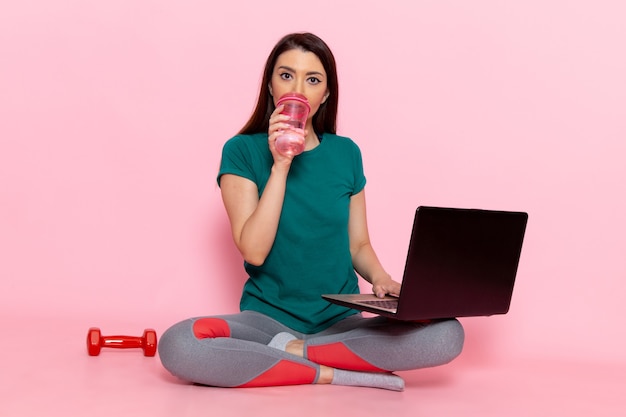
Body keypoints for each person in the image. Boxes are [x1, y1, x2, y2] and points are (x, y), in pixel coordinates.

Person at [158, 32, 464, 391]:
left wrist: (383, 280)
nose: (298, 89)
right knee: (179, 344)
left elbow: (359, 246)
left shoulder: (346, 153)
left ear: (326, 94)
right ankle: (332, 371)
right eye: (286, 75)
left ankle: (293, 354)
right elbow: (254, 251)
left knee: (448, 334)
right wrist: (281, 164)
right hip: (265, 324)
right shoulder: (241, 151)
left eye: (313, 79)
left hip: (342, 323)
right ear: (270, 85)